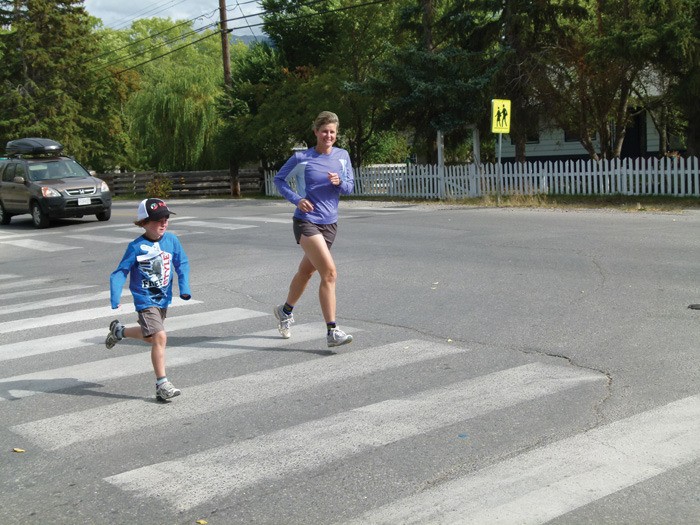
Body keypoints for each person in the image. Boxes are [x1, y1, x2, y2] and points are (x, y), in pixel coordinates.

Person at [273, 110, 355, 348]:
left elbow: (350, 187)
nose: (328, 136)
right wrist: (297, 199)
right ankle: (332, 331)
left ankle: (285, 311)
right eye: (324, 131)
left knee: (306, 272)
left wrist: (341, 183)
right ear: (316, 132)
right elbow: (279, 180)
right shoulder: (302, 158)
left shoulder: (342, 156)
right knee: (329, 273)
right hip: (306, 221)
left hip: (330, 224)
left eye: (332, 132)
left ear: (336, 134)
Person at [105, 198, 191, 401]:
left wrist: (185, 288)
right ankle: (162, 384)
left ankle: (119, 331)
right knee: (160, 337)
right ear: (144, 221)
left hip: (163, 299)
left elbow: (182, 264)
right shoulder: (136, 246)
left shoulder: (172, 241)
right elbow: (120, 272)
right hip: (145, 300)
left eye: (166, 218)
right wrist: (115, 295)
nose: (163, 223)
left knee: (151, 337)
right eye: (157, 219)